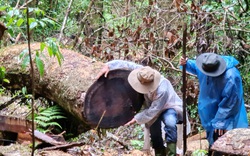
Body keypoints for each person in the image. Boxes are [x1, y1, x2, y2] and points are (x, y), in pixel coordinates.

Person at [97, 60, 189, 156]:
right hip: (152, 108)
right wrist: (109, 65)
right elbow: (127, 64)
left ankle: (171, 153)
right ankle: (159, 153)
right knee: (154, 131)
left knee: (170, 123)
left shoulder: (162, 89)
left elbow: (154, 110)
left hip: (169, 106)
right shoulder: (143, 73)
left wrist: (136, 118)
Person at [179, 53, 249, 155]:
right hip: (210, 112)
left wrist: (220, 123)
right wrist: (186, 63)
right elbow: (195, 66)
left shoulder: (231, 76)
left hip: (227, 116)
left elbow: (230, 104)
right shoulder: (206, 68)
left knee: (227, 143)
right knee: (213, 140)